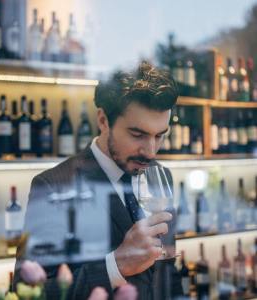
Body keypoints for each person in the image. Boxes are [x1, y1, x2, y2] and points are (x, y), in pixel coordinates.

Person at [14, 61, 182, 299]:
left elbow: (167, 273)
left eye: (160, 136)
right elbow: (27, 292)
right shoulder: (54, 186)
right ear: (103, 120)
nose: (151, 151)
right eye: (138, 134)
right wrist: (116, 266)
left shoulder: (161, 177)